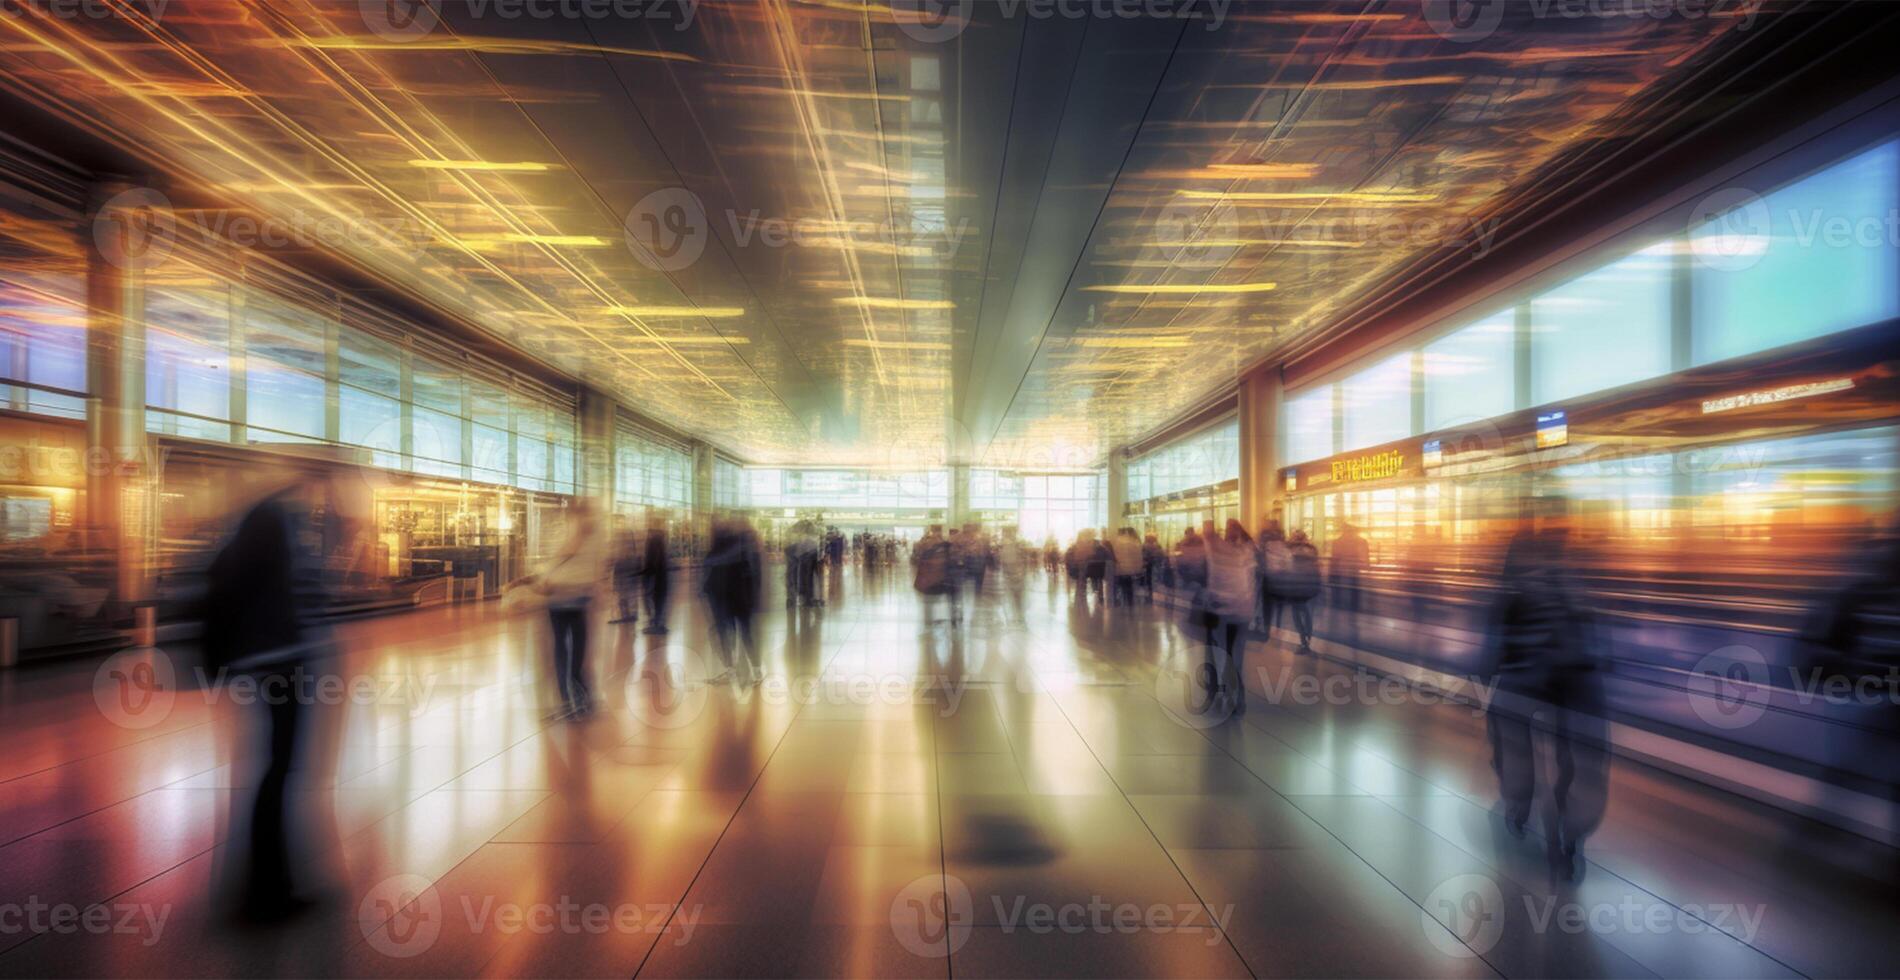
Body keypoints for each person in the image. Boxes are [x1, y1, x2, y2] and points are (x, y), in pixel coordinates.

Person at [200, 477, 351, 921]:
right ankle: (264, 893)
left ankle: (270, 884)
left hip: (273, 662)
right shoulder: (274, 519)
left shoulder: (269, 518)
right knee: (279, 770)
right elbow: (289, 596)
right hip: (280, 664)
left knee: (278, 769)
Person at [1482, 514, 1607, 882]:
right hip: (1576, 684)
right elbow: (1595, 637)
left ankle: (1520, 803)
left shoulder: (1511, 591)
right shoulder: (1574, 584)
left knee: (1512, 739)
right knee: (1579, 758)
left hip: (1524, 682)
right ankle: (1572, 828)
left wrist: (1484, 675)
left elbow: (1492, 646)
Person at [539, 501, 606, 719]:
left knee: (563, 650)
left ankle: (571, 700)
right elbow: (598, 567)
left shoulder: (572, 534)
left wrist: (546, 576)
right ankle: (581, 698)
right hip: (577, 597)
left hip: (561, 596)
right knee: (577, 650)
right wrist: (597, 589)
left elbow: (562, 555)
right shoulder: (595, 536)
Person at [1201, 519, 1258, 717]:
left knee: (1219, 653)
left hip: (1220, 612)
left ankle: (1219, 690)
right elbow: (1253, 579)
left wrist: (1209, 527)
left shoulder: (1218, 552)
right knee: (1236, 657)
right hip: (1242, 612)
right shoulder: (1247, 552)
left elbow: (1209, 538)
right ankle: (1237, 699)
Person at [703, 518, 762, 684]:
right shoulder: (743, 549)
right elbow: (752, 577)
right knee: (742, 635)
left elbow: (712, 569)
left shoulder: (723, 549)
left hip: (729, 600)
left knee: (728, 635)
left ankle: (734, 671)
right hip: (737, 601)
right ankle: (752, 672)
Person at [1280, 529, 1323, 653]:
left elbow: (1287, 569)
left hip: (1296, 587)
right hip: (1310, 587)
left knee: (1297, 615)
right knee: (1308, 615)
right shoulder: (1312, 549)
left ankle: (1303, 641)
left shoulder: (1291, 551)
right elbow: (1317, 568)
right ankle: (1307, 641)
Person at [1331, 521, 1370, 643]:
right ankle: (1353, 617)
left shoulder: (1337, 542)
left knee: (1341, 595)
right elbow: (1365, 558)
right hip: (1353, 572)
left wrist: (1332, 574)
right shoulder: (1360, 541)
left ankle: (1339, 616)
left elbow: (1334, 559)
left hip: (1341, 572)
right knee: (1354, 593)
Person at [913, 524, 958, 626]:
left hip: (934, 577)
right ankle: (952, 618)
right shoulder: (944, 543)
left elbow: (920, 558)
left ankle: (929, 619)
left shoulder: (928, 543)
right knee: (950, 598)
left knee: (930, 601)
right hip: (943, 576)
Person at [1256, 520, 1290, 638]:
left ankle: (1267, 629)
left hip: (1268, 578)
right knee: (1279, 604)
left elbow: (1260, 561)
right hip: (1279, 579)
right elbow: (1288, 564)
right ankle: (1278, 625)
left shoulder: (1266, 546)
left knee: (1267, 606)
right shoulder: (1284, 548)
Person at [641, 519, 671, 635]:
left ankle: (656, 623)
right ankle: (657, 622)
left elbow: (651, 562)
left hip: (655, 577)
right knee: (659, 600)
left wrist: (647, 577)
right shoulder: (662, 543)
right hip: (661, 578)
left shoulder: (653, 542)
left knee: (653, 600)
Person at [611, 530, 642, 625]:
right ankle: (627, 614)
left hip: (627, 579)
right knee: (624, 597)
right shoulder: (628, 556)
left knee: (627, 596)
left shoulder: (630, 556)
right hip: (624, 579)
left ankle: (629, 614)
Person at [1111, 528, 1143, 607]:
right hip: (1132, 569)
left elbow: (1114, 556)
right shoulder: (1135, 542)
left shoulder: (1116, 542)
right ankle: (1129, 603)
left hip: (1120, 568)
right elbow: (1138, 557)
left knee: (1119, 586)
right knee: (1129, 587)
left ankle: (1119, 602)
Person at [1141, 531, 1167, 603]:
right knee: (1155, 577)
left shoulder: (1144, 546)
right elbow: (1162, 554)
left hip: (1148, 564)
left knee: (1149, 578)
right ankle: (1153, 589)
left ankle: (1149, 590)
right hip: (1156, 564)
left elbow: (1143, 555)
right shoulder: (1158, 545)